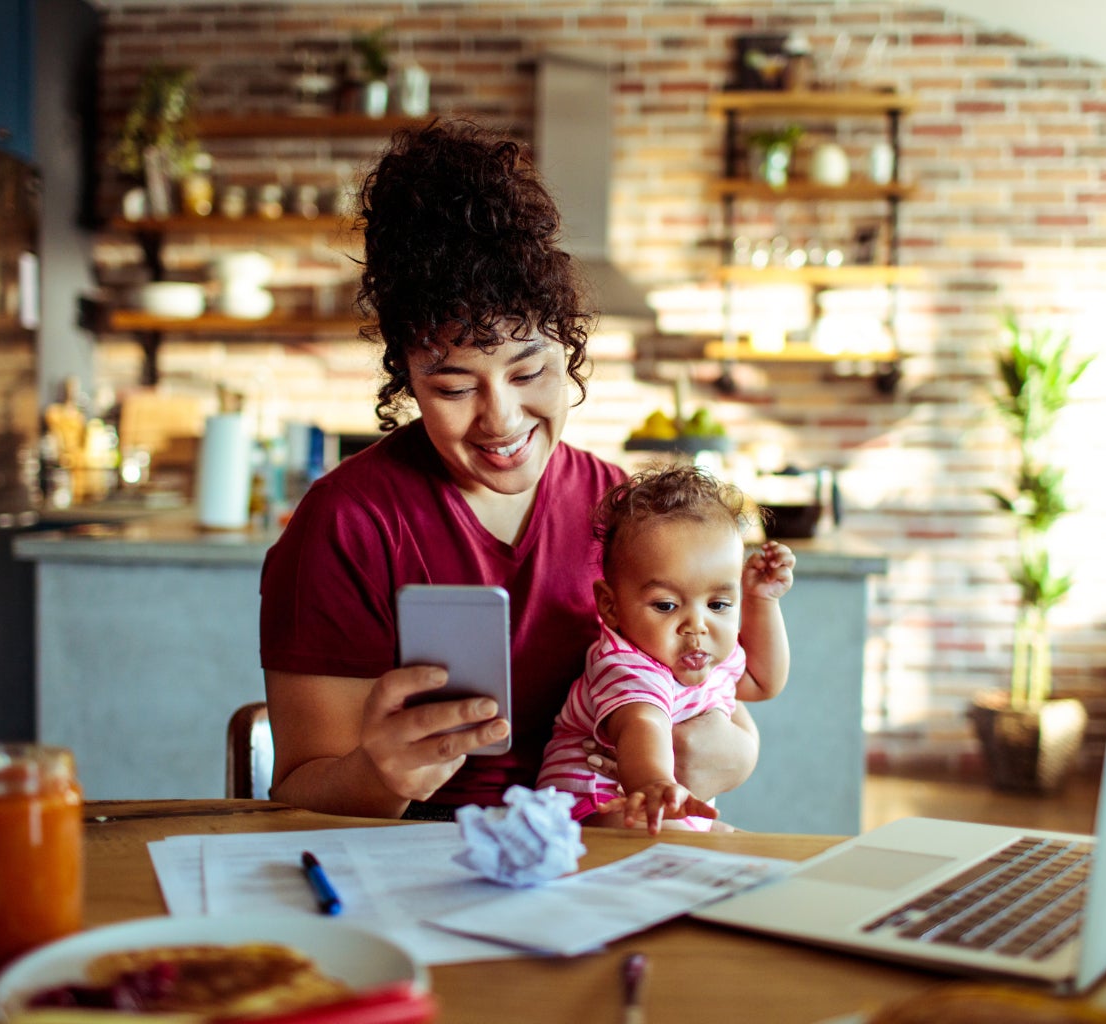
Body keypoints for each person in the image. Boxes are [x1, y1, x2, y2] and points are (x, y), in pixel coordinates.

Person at [259, 120, 762, 820]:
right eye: (455, 388)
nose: (500, 421)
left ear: (569, 349)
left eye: (529, 372)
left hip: (605, 859)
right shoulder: (348, 523)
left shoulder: (625, 513)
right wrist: (380, 774)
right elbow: (298, 796)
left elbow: (709, 702)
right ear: (407, 375)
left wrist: (727, 752)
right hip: (422, 868)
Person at [536, 465, 795, 834]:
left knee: (747, 849)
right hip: (594, 808)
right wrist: (654, 783)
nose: (697, 626)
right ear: (610, 606)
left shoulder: (705, 653)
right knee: (697, 856)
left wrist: (763, 602)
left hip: (659, 805)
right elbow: (643, 722)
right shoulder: (625, 663)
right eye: (666, 605)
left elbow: (762, 681)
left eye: (719, 605)